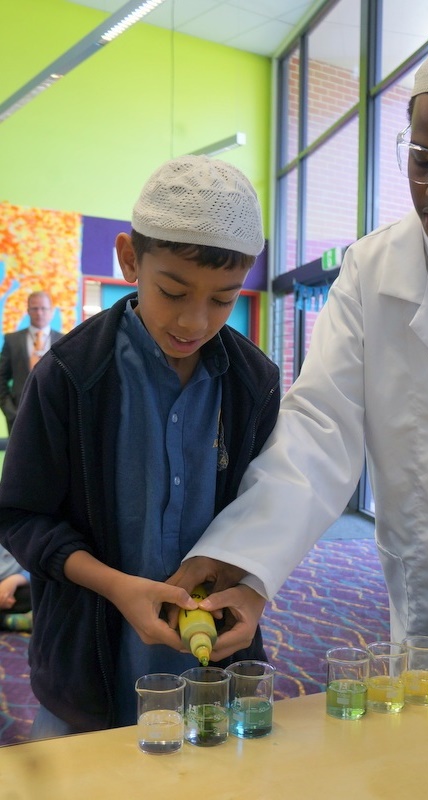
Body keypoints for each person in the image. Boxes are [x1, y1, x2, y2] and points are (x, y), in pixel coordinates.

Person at [172, 15, 428, 670]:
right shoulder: (371, 270)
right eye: (422, 161)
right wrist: (242, 557)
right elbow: (319, 429)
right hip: (419, 614)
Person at [0, 155, 280, 736]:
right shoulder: (70, 376)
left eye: (224, 299)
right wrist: (114, 585)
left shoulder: (255, 382)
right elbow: (21, 515)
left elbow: (269, 511)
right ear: (129, 259)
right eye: (173, 291)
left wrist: (251, 586)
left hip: (217, 668)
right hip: (89, 669)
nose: (195, 320)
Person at [0, 290, 62, 433]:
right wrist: (10, 411)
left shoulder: (63, 341)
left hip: (54, 415)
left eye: (43, 308)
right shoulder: (12, 340)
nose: (39, 313)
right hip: (18, 415)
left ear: (51, 311)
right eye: (34, 308)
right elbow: (1, 377)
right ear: (27, 311)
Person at [0, 543, 32, 632]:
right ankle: (6, 621)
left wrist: (15, 580)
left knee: (35, 594)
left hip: (18, 588)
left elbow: (39, 569)